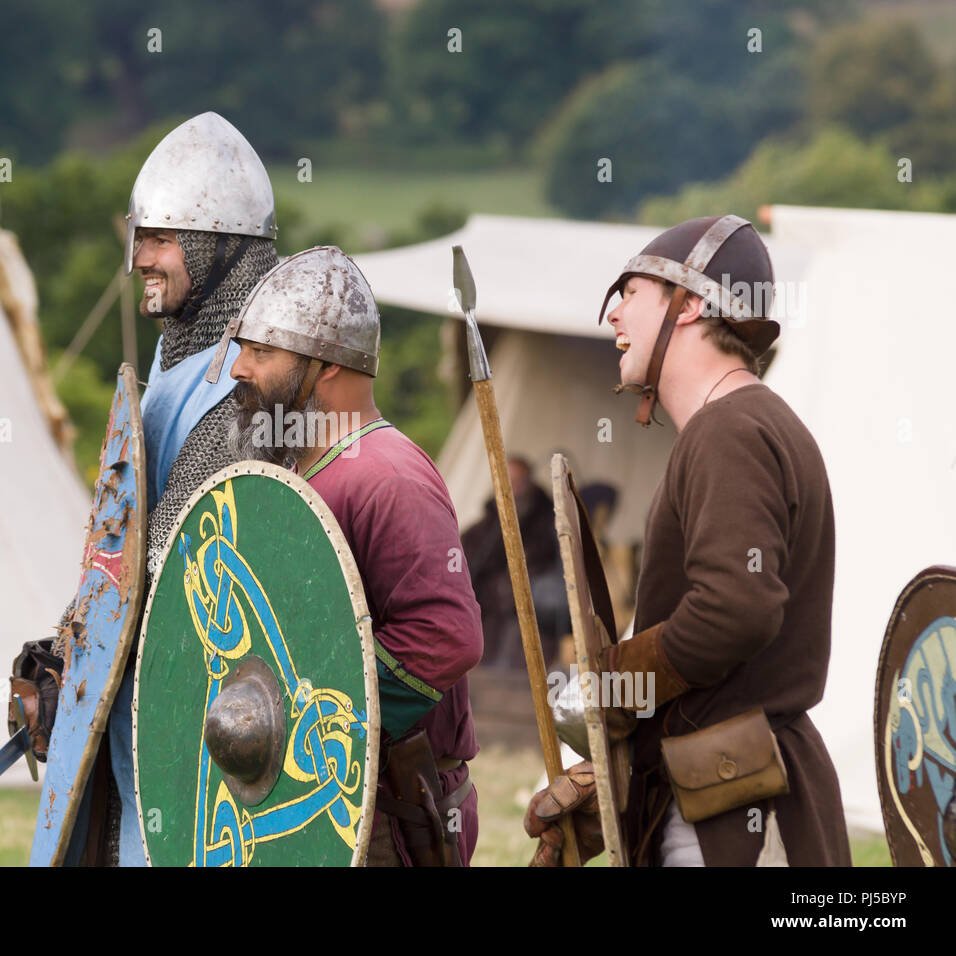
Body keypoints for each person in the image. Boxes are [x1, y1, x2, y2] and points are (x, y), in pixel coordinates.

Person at [525, 214, 851, 866]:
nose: (614, 315)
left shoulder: (728, 431)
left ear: (691, 302)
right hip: (724, 788)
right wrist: (626, 771)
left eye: (632, 294)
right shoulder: (750, 422)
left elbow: (736, 607)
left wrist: (616, 684)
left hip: (737, 813)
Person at [44, 111, 281, 866]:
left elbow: (188, 573)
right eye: (137, 237)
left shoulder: (245, 383)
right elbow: (132, 549)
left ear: (222, 247)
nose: (140, 258)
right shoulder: (178, 367)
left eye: (162, 238)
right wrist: (78, 636)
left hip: (195, 716)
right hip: (144, 708)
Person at [211, 245, 483, 865]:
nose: (238, 370)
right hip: (328, 807)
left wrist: (316, 721)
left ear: (325, 366)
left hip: (389, 818)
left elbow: (446, 637)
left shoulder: (387, 478)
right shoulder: (306, 472)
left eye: (261, 351)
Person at [460, 455, 566, 669]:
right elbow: (467, 558)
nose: (512, 487)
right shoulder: (486, 523)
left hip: (534, 608)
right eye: (507, 480)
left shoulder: (549, 520)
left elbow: (556, 560)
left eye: (517, 480)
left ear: (528, 482)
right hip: (491, 614)